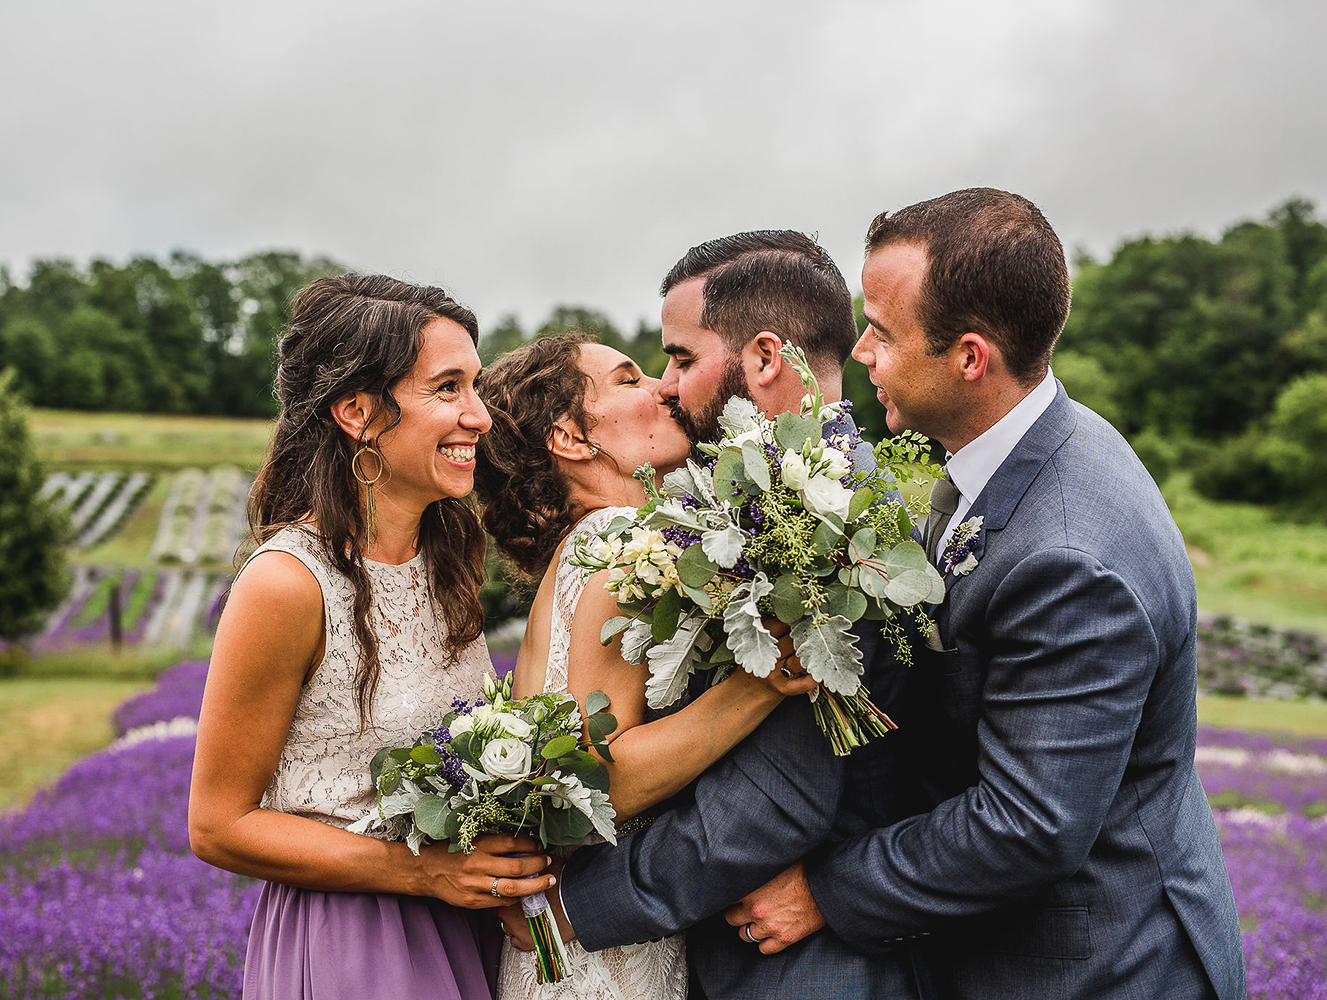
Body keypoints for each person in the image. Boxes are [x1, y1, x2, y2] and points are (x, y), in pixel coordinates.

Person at [727, 189, 1248, 999]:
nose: (859, 351)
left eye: (883, 332)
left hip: (1101, 964)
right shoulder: (1021, 446)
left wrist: (828, 889)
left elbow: (1029, 824)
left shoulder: (1072, 561)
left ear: (971, 357)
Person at [534, 233, 928, 999]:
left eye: (681, 358)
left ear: (764, 359)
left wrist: (575, 906)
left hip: (804, 975)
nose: (668, 387)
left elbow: (774, 804)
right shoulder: (751, 507)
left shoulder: (838, 525)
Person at [187, 274, 555, 1000]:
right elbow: (217, 825)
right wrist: (422, 872)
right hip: (351, 940)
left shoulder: (449, 557)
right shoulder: (289, 584)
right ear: (357, 411)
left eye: (475, 386)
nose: (480, 416)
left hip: (464, 923)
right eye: (447, 388)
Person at [473, 332, 819, 999]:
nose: (663, 387)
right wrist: (760, 682)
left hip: (579, 939)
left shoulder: (595, 546)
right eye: (629, 379)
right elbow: (596, 784)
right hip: (603, 959)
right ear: (570, 439)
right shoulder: (617, 541)